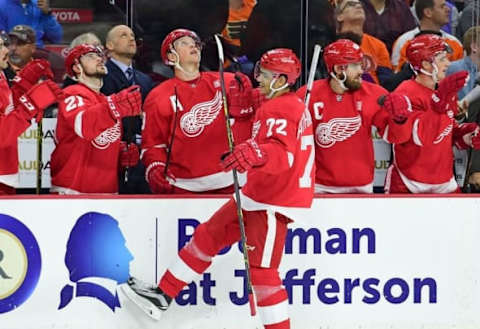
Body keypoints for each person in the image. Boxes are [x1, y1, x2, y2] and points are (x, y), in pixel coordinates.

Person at [124, 48, 314, 329]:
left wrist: (257, 154)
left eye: (264, 73)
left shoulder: (281, 107)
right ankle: (162, 296)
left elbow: (282, 154)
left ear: (281, 78)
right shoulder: (280, 104)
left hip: (273, 200)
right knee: (207, 236)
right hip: (256, 194)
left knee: (262, 272)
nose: (257, 77)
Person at [141, 28, 255, 194]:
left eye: (195, 43)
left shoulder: (228, 82)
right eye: (184, 43)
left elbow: (256, 123)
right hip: (184, 185)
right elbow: (153, 143)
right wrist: (155, 166)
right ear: (172, 57)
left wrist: (248, 110)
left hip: (233, 180)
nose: (193, 45)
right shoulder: (158, 96)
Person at [297, 39, 411, 193]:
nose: (361, 71)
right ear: (338, 69)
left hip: (360, 186)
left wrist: (400, 121)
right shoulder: (307, 95)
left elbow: (395, 137)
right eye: (355, 65)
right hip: (318, 186)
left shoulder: (375, 95)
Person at [385, 34, 480, 193]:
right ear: (425, 64)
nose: (448, 63)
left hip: (444, 182)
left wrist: (467, 135)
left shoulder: (444, 91)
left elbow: (446, 132)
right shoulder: (404, 93)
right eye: (442, 59)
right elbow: (422, 136)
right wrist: (440, 102)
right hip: (408, 183)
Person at [50, 44, 142, 194]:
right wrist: (113, 107)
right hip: (72, 190)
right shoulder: (71, 94)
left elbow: (101, 141)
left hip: (107, 191)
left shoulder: (106, 102)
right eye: (90, 56)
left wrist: (120, 153)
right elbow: (83, 126)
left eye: (99, 56)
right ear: (77, 67)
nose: (98, 59)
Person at [0, 31, 63, 194]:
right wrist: (31, 105)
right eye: (0, 47)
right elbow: (2, 135)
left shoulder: (1, 76)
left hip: (6, 171)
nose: (7, 50)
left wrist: (23, 85)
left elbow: (7, 111)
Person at [102, 24, 154, 194]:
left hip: (141, 157)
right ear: (109, 45)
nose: (131, 38)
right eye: (124, 35)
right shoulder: (101, 75)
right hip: (112, 158)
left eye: (132, 35)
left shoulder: (144, 79)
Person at [391, 0, 463, 72]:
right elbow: (397, 76)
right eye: (442, 7)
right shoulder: (403, 42)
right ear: (428, 12)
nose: (448, 9)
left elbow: (461, 75)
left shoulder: (454, 43)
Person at [335, 0, 393, 85]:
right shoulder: (332, 44)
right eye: (351, 4)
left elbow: (387, 83)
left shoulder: (378, 45)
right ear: (339, 16)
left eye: (360, 5)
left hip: (372, 94)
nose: (358, 6)